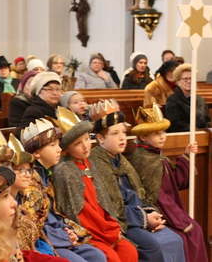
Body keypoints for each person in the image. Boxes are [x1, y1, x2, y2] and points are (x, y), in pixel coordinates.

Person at [90, 105, 185, 262]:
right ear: (100, 138)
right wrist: (144, 220)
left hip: (137, 216)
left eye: (123, 132)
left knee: (176, 240)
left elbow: (138, 193)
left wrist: (150, 214)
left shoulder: (120, 159)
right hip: (123, 223)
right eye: (115, 133)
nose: (122, 138)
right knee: (154, 245)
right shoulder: (97, 162)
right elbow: (111, 206)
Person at [51, 107, 138, 262]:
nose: (85, 146)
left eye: (86, 139)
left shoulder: (89, 163)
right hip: (88, 232)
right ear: (67, 149)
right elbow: (79, 212)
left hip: (105, 227)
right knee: (111, 257)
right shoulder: (64, 171)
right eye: (78, 143)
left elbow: (104, 200)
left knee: (129, 251)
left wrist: (113, 226)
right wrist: (106, 231)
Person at [129, 104, 208, 262]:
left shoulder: (155, 155)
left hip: (170, 211)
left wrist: (185, 157)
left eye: (164, 132)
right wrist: (181, 221)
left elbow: (174, 182)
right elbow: (158, 196)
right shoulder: (144, 160)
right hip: (160, 214)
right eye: (157, 134)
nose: (163, 136)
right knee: (190, 234)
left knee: (195, 231)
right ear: (143, 137)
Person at [21, 118, 107, 262]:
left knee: (97, 256)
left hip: (60, 235)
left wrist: (70, 231)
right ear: (36, 153)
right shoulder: (30, 184)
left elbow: (55, 213)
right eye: (53, 145)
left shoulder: (45, 175)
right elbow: (35, 227)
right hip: (47, 242)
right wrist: (64, 236)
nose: (59, 149)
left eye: (58, 144)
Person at [165, 63, 210, 132]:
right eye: (185, 79)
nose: (189, 81)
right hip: (182, 137)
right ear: (178, 81)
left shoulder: (200, 99)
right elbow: (175, 124)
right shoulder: (172, 100)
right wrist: (196, 130)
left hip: (201, 135)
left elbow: (206, 120)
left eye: (191, 78)